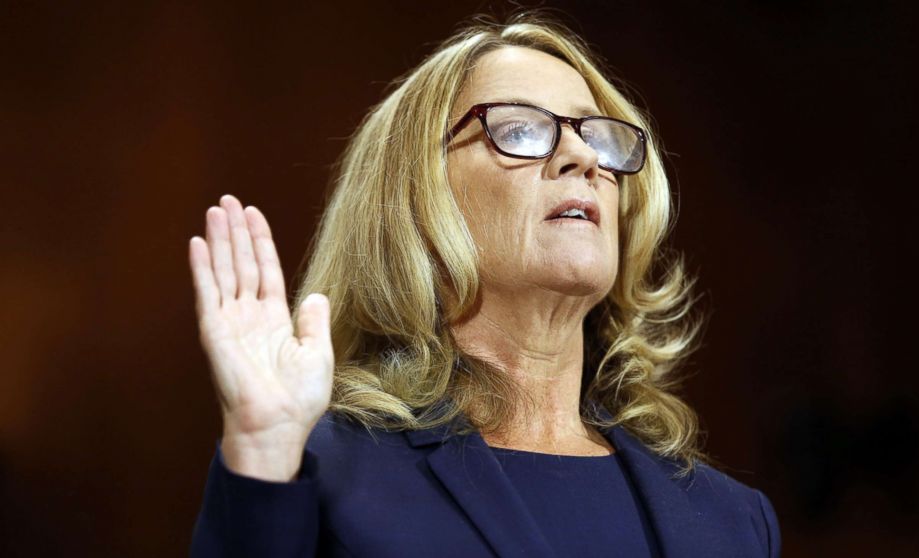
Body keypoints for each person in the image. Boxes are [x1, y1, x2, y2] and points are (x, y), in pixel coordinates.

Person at [187, 12, 781, 558]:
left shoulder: (732, 521)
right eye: (520, 130)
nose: (582, 156)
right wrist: (264, 459)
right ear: (415, 201)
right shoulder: (317, 473)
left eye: (599, 136)